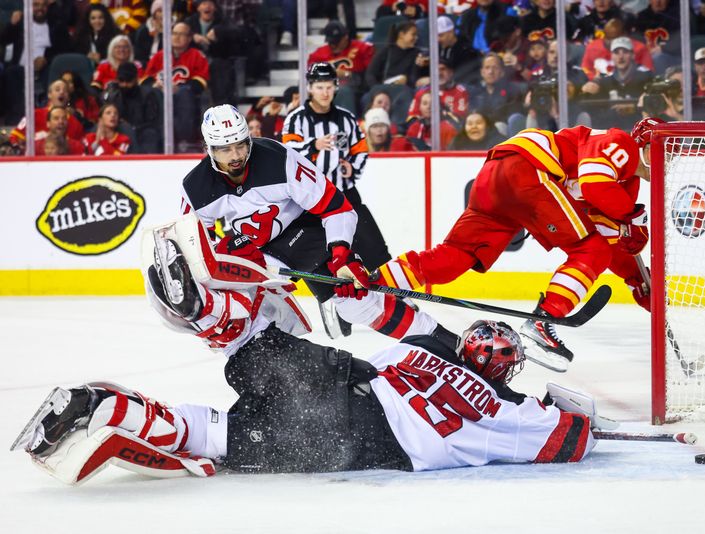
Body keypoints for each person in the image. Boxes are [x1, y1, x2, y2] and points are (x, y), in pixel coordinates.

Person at [14, 318, 605, 483]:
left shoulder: (426, 352)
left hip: (338, 377)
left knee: (251, 350)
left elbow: (377, 337)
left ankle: (206, 308)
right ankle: (105, 410)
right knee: (221, 436)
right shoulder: (509, 413)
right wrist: (561, 402)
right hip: (351, 436)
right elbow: (574, 437)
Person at [369, 119, 658, 371]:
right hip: (528, 168)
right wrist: (632, 217)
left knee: (456, 257)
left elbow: (605, 237)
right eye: (664, 151)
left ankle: (367, 282)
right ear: (645, 146)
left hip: (497, 173)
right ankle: (542, 322)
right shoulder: (623, 145)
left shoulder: (624, 186)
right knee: (591, 250)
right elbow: (595, 186)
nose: (669, 161)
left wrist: (636, 279)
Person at [187, 104, 446, 346]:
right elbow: (195, 245)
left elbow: (337, 207)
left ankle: (441, 341)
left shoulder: (279, 160)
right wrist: (226, 253)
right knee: (249, 312)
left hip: (307, 234)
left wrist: (341, 254)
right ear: (209, 148)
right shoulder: (195, 188)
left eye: (241, 145)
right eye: (224, 149)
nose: (235, 156)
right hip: (261, 254)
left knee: (358, 305)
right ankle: (276, 374)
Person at [283, 63, 406, 338]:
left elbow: (360, 150)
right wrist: (313, 146)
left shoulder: (347, 119)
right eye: (319, 87)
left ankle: (397, 302)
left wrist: (352, 167)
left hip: (345, 193)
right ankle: (332, 308)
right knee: (319, 256)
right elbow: (288, 155)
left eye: (329, 87)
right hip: (310, 201)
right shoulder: (296, 119)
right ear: (310, 88)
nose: (325, 92)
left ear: (336, 87)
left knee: (375, 249)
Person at [142, 21, 210, 150]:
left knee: (183, 94)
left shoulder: (197, 56)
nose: (177, 37)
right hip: (159, 95)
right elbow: (145, 79)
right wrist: (155, 85)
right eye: (174, 33)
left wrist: (180, 88)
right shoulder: (159, 56)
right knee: (152, 94)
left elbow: (200, 82)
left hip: (184, 96)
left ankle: (185, 140)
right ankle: (157, 141)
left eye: (181, 34)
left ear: (189, 38)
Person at [581, 36, 653, 129]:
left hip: (639, 133)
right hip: (612, 135)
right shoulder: (604, 83)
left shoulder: (646, 79)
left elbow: (655, 105)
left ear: (632, 55)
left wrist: (634, 108)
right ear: (612, 56)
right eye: (616, 52)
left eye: (625, 52)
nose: (621, 56)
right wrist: (585, 91)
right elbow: (593, 114)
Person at [308, 20, 374, 111]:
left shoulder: (362, 49)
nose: (333, 45)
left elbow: (371, 75)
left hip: (356, 90)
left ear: (345, 37)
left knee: (343, 91)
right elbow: (310, 74)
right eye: (331, 42)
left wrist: (347, 74)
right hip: (326, 90)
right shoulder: (319, 53)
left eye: (336, 42)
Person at [102, 61, 162, 153]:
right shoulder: (114, 97)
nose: (125, 85)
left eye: (129, 81)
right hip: (120, 133)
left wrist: (132, 128)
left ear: (136, 79)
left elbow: (152, 121)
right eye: (122, 81)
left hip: (143, 132)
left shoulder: (147, 95)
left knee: (150, 133)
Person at [9, 80, 85, 147]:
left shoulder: (76, 124)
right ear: (49, 94)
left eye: (65, 90)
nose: (61, 92)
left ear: (68, 97)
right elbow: (14, 137)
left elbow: (80, 148)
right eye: (57, 89)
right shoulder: (34, 115)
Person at [580, 18, 653, 81]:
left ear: (624, 36)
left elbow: (648, 73)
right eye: (608, 38)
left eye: (615, 38)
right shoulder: (592, 47)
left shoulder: (640, 48)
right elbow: (585, 70)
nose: (611, 42)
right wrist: (596, 80)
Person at [467, 53, 523, 129]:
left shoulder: (512, 90)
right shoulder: (476, 93)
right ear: (482, 72)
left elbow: (512, 118)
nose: (490, 72)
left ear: (502, 72)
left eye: (495, 68)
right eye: (487, 68)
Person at [408, 58, 471, 123]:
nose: (439, 73)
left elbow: (459, 119)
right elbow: (412, 117)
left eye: (442, 69)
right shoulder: (422, 92)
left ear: (451, 72)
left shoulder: (460, 92)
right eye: (436, 70)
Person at [437, 15, 482, 87]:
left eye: (441, 35)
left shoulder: (466, 51)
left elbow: (465, 76)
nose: (438, 39)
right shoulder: (439, 47)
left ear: (451, 32)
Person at [133, 0, 164, 64]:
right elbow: (139, 52)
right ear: (154, 13)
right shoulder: (144, 29)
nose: (163, 14)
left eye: (166, 11)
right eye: (160, 11)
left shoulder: (175, 28)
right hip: (145, 63)